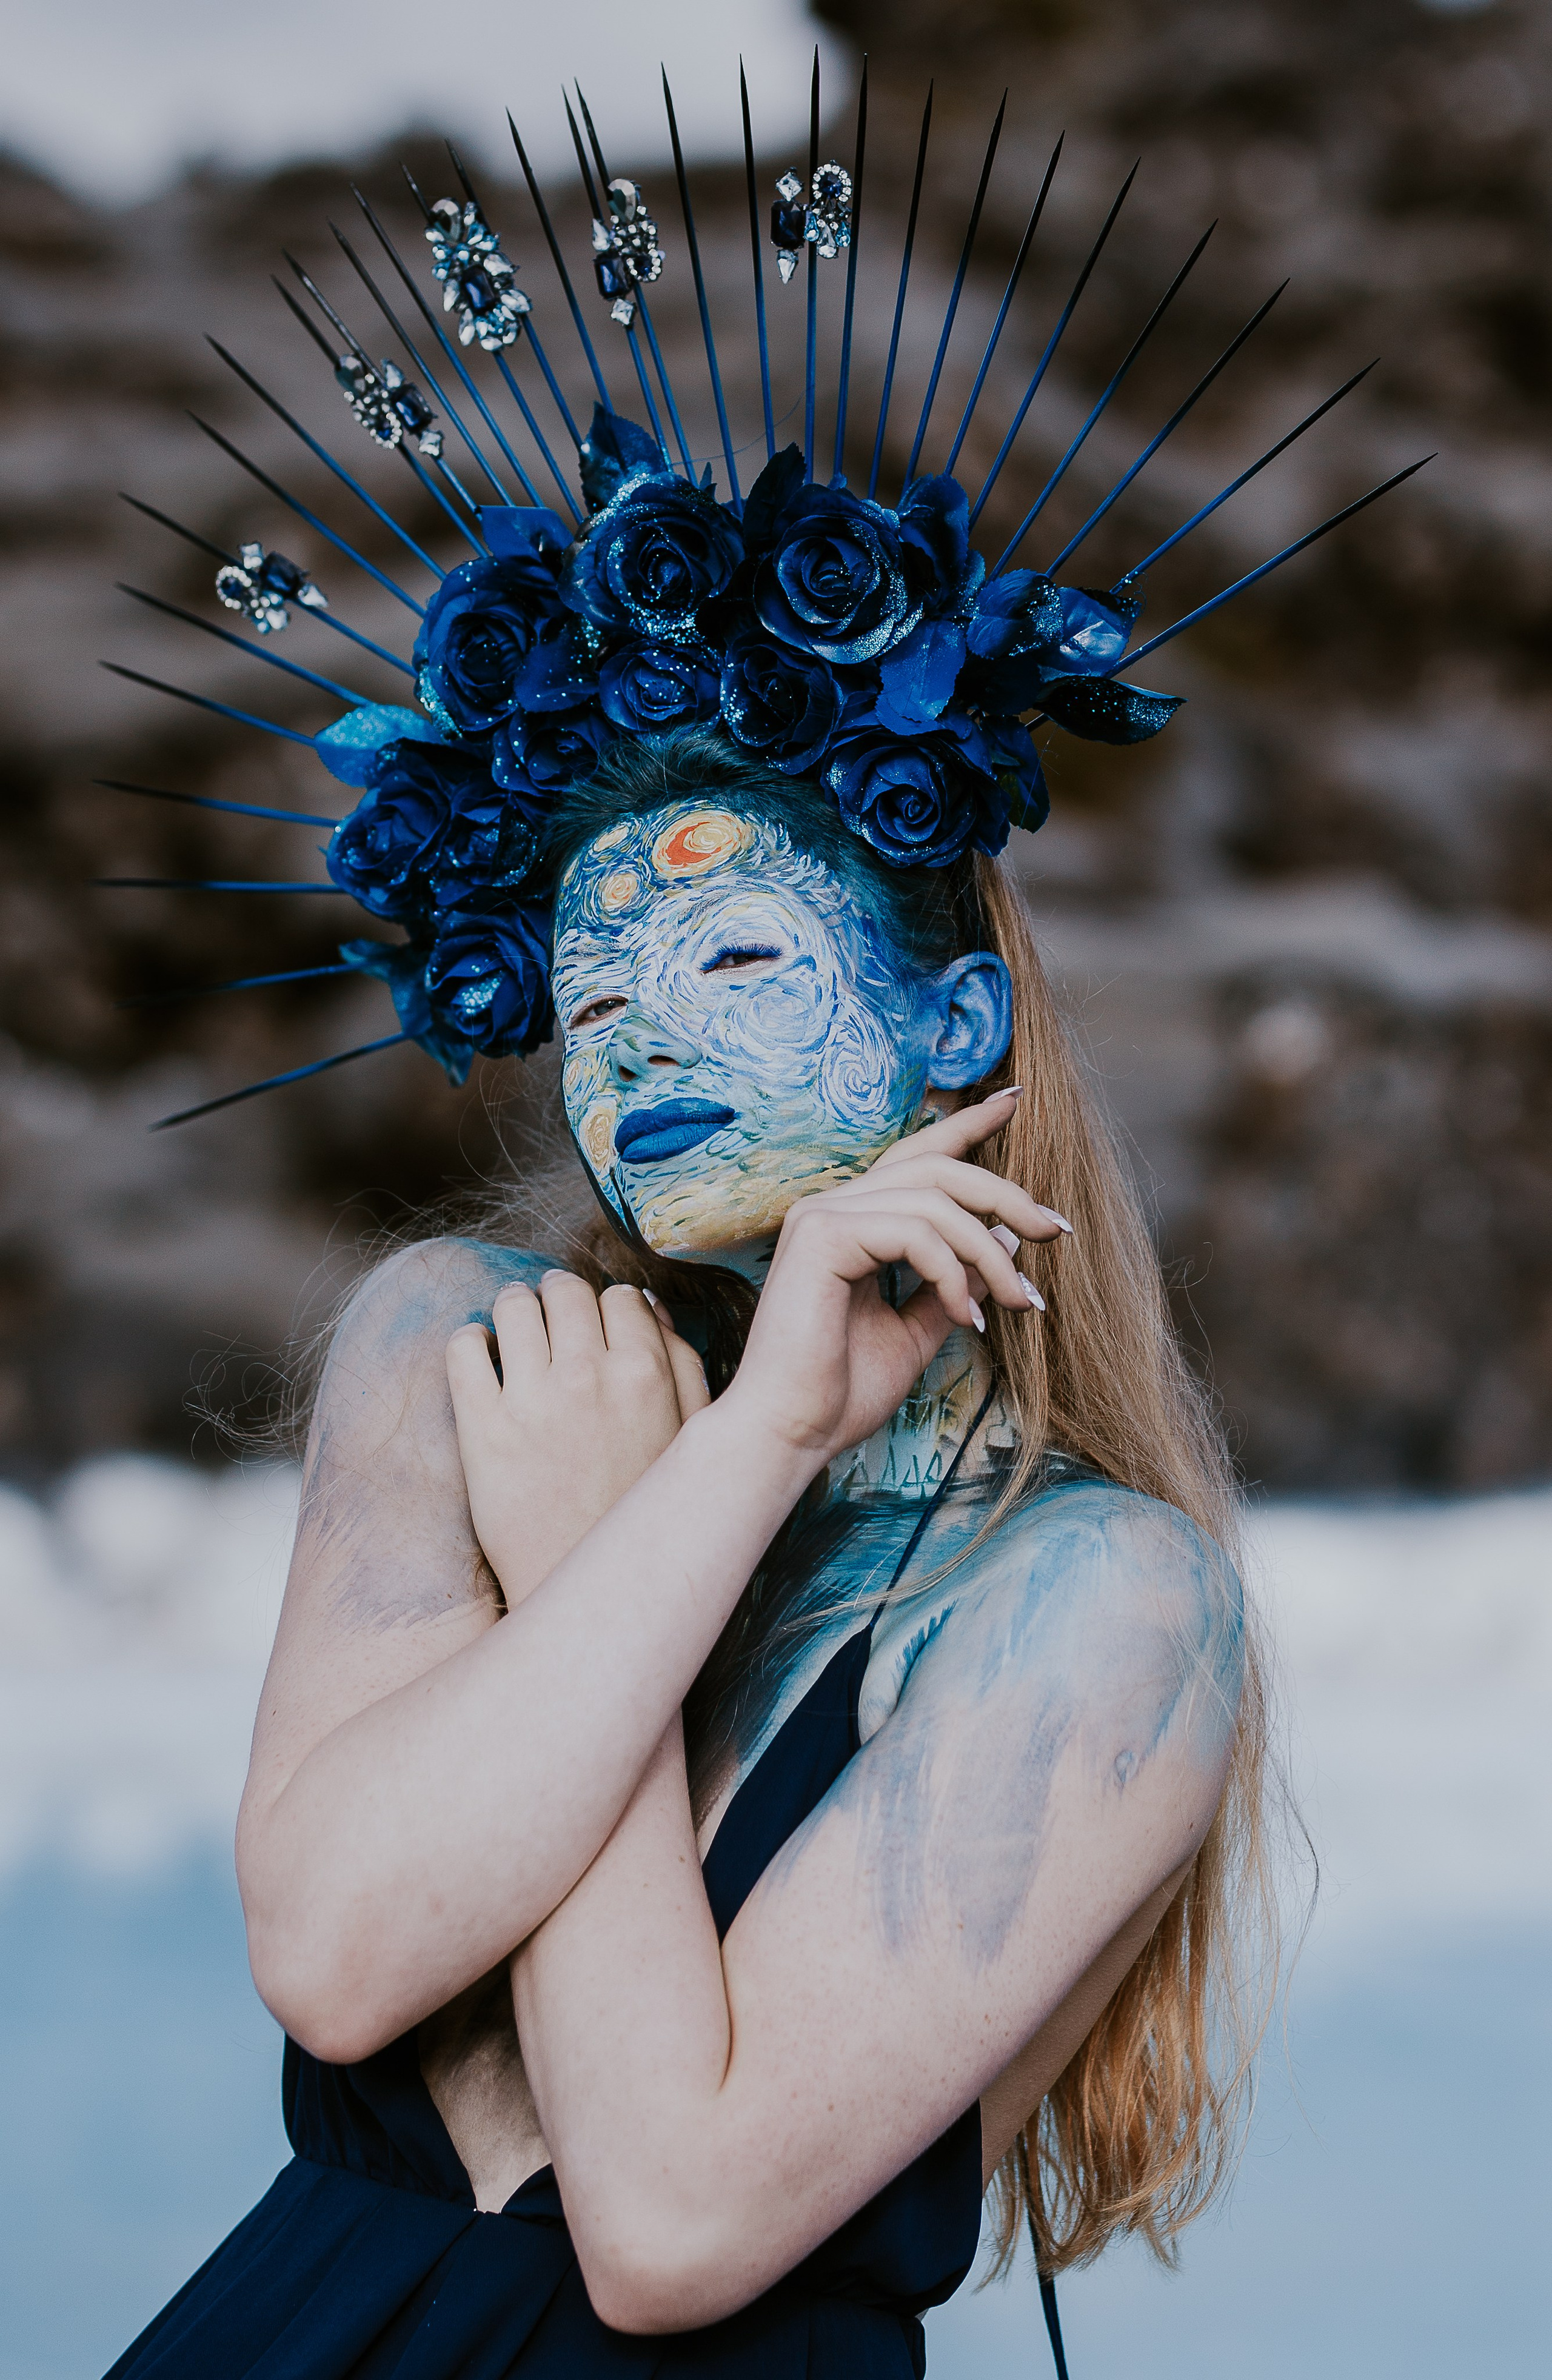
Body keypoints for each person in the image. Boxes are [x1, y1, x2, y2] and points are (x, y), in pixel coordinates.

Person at [102, 68, 1403, 2375]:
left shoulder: (1107, 1602)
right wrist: (711, 1467)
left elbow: (672, 2222)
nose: (646, 1040)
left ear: (952, 1027)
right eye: (595, 994)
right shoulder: (458, 1346)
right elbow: (336, 1955)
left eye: (729, 955)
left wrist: (679, 1492)